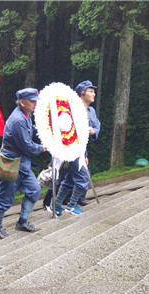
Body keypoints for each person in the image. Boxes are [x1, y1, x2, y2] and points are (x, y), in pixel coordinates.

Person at [0, 88, 46, 239]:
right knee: (5, 198)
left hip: (23, 163)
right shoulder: (18, 119)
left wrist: (44, 131)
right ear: (22, 102)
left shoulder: (25, 115)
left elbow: (31, 130)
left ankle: (22, 221)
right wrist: (41, 148)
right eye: (32, 101)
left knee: (34, 189)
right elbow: (26, 145)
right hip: (10, 163)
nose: (35, 104)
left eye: (36, 101)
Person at [53, 80, 101, 215]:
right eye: (91, 91)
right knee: (83, 179)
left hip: (81, 150)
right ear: (82, 93)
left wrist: (93, 131)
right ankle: (71, 205)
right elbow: (62, 128)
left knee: (69, 179)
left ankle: (56, 205)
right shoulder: (70, 110)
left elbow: (97, 126)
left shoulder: (90, 111)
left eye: (94, 91)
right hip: (70, 148)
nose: (94, 94)